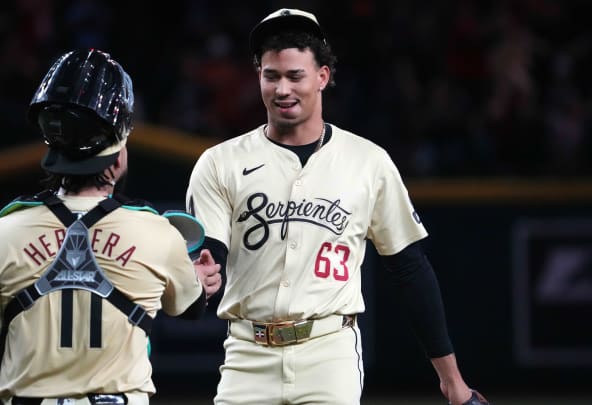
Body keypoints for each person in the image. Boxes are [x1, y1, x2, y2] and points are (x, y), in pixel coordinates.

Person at [185, 8, 490, 405]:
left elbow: (409, 267)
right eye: (271, 75)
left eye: (295, 76)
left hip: (328, 353)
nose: (282, 89)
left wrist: (452, 382)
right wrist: (202, 271)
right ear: (258, 75)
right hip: (247, 354)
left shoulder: (367, 161)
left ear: (322, 77)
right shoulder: (219, 162)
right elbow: (211, 250)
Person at [0, 49, 222, 405]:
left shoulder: (3, 233)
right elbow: (190, 307)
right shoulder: (157, 233)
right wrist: (200, 280)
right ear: (119, 153)